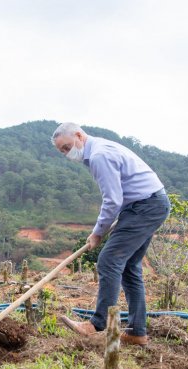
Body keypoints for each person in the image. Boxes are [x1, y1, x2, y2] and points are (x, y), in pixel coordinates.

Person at [52, 123, 169, 346]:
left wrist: (98, 233)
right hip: (150, 204)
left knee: (109, 261)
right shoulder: (99, 150)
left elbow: (112, 200)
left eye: (67, 147)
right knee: (129, 266)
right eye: (63, 151)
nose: (67, 153)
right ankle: (136, 331)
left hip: (144, 207)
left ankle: (96, 324)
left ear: (79, 136)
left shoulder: (99, 155)